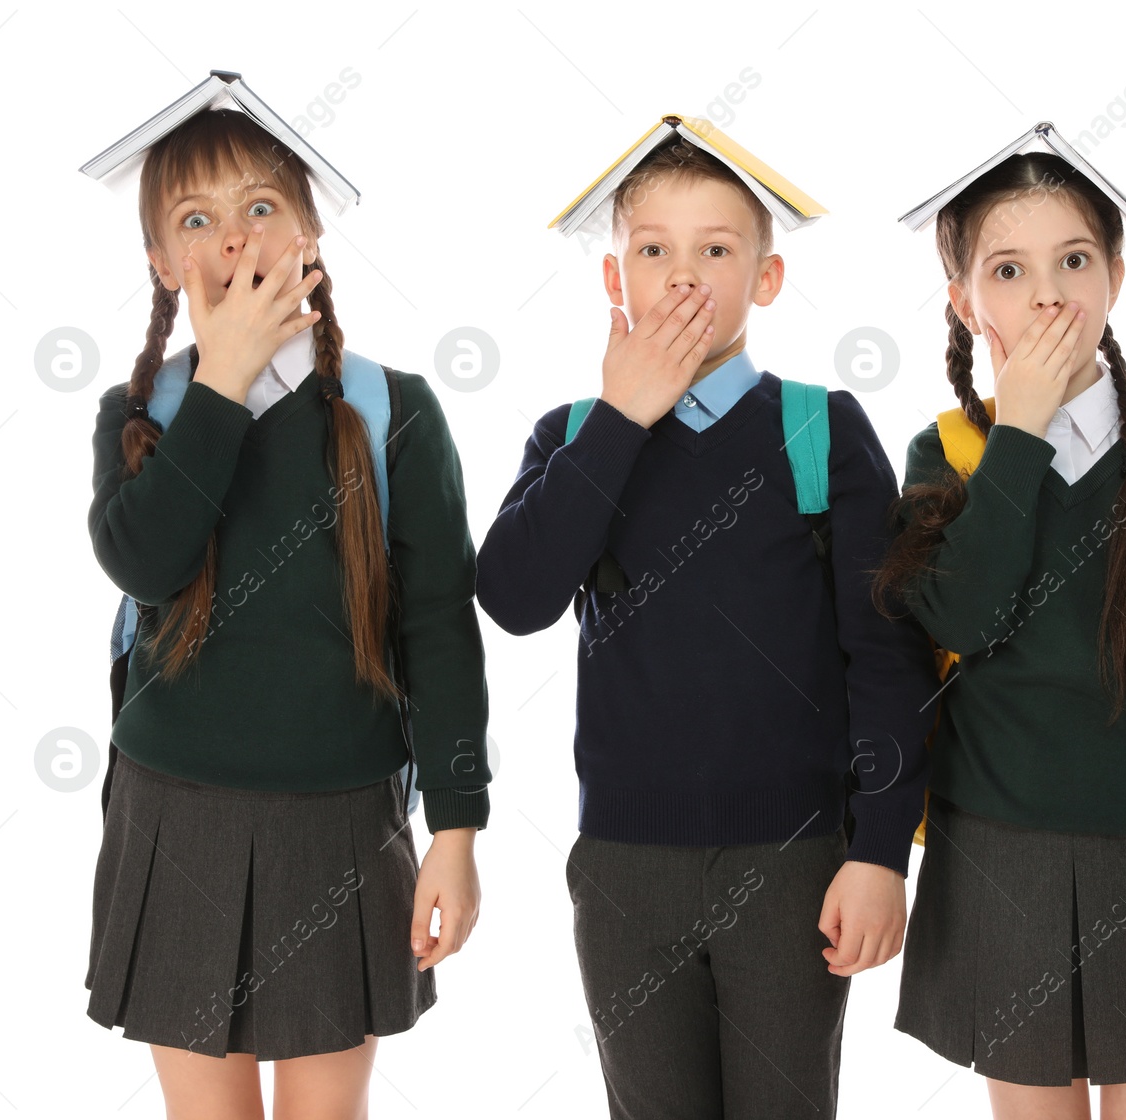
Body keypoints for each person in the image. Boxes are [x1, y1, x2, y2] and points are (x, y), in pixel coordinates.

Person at [475, 135, 937, 1119]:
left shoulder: (819, 430)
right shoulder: (570, 437)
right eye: (653, 252)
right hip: (624, 874)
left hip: (795, 866)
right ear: (613, 276)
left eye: (715, 252)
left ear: (766, 278)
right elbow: (513, 599)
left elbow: (885, 660)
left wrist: (880, 851)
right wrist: (620, 415)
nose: (682, 277)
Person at [83, 106, 489, 1118]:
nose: (232, 236)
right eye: (195, 217)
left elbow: (439, 628)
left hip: (342, 819)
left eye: (260, 206)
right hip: (174, 812)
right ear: (160, 260)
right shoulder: (139, 415)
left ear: (309, 236)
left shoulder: (393, 411)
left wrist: (457, 826)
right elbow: (143, 559)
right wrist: (219, 379)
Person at [875, 148, 1126, 1120]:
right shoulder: (949, 452)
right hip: (993, 852)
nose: (1047, 296)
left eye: (1073, 262)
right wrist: (1016, 432)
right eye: (1007, 271)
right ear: (966, 302)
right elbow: (963, 622)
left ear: (1115, 277)